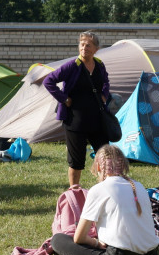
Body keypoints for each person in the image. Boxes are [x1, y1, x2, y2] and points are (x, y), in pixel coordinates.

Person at [51, 144, 159, 255]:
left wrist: (96, 243)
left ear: (98, 167)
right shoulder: (139, 186)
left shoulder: (98, 190)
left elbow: (79, 237)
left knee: (57, 240)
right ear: (124, 165)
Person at [43, 31, 111, 189]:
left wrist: (104, 96)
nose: (84, 48)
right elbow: (49, 81)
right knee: (77, 161)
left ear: (96, 49)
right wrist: (64, 98)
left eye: (89, 45)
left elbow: (106, 82)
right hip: (75, 121)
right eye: (82, 44)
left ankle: (105, 189)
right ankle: (74, 192)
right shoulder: (72, 66)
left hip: (97, 120)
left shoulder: (99, 64)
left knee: (106, 157)